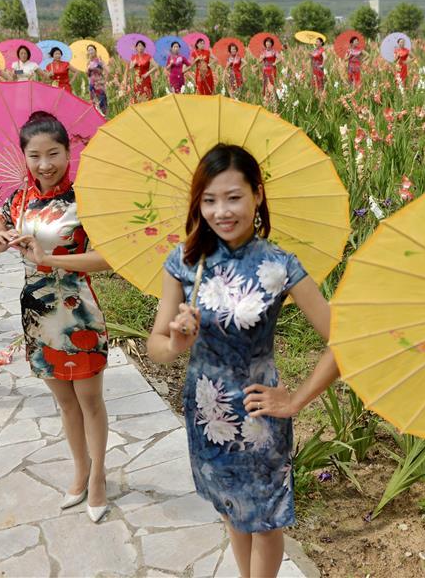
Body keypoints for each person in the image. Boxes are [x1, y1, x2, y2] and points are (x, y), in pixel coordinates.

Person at [147, 143, 339, 578]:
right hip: (205, 410)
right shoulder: (185, 262)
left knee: (266, 520)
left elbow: (342, 341)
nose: (221, 212)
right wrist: (177, 341)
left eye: (233, 197)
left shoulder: (279, 265)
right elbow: (156, 348)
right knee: (231, 510)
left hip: (258, 416)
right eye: (209, 200)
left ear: (257, 194)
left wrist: (294, 401)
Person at [0, 112, 112, 523]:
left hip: (77, 311)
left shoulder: (85, 198)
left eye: (53, 153)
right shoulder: (16, 201)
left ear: (69, 152)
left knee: (90, 402)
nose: (45, 163)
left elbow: (106, 258)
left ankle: (100, 476)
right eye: (35, 155)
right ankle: (80, 470)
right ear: (24, 157)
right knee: (64, 402)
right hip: (37, 313)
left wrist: (48, 257)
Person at [85, 44, 108, 116]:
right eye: (89, 50)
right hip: (91, 85)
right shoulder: (88, 62)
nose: (90, 51)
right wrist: (87, 71)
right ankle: (97, 120)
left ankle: (104, 118)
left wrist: (105, 81)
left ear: (95, 51)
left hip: (99, 85)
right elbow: (88, 75)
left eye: (92, 49)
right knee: (94, 102)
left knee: (102, 101)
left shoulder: (99, 60)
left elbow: (107, 71)